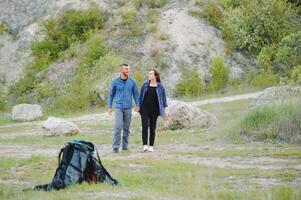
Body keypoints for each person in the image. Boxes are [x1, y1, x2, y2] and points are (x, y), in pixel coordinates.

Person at [108, 64, 140, 153]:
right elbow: (111, 95)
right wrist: (109, 106)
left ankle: (125, 146)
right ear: (121, 70)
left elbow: (136, 94)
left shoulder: (132, 81)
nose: (128, 71)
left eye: (129, 69)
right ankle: (115, 147)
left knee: (126, 128)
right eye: (126, 69)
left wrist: (138, 105)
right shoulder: (115, 81)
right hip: (118, 107)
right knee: (118, 127)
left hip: (128, 108)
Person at [139, 69, 168, 152]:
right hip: (144, 108)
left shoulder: (160, 86)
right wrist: (138, 106)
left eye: (151, 74)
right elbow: (141, 96)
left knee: (152, 127)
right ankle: (145, 145)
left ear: (155, 76)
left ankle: (151, 146)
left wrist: (165, 110)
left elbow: (163, 99)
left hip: (155, 109)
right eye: (149, 74)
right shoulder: (145, 85)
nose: (149, 75)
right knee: (144, 126)